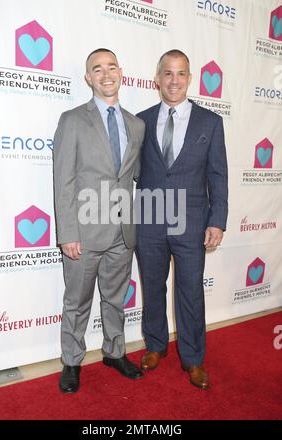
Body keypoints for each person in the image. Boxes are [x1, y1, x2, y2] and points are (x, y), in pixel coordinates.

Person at [53, 48, 145, 393]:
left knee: (116, 299)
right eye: (97, 69)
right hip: (84, 232)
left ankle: (114, 352)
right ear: (88, 78)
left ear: (121, 71)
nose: (106, 75)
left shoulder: (137, 125)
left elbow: (133, 176)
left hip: (123, 232)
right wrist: (67, 233)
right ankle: (72, 361)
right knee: (77, 301)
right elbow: (63, 180)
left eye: (111, 67)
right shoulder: (73, 120)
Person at [136, 49, 228, 389]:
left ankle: (193, 359)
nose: (174, 80)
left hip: (192, 222)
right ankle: (155, 345)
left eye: (181, 73)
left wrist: (217, 220)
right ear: (157, 79)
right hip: (150, 221)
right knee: (153, 288)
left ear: (190, 78)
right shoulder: (140, 121)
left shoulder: (210, 121)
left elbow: (218, 175)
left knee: (190, 292)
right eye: (168, 73)